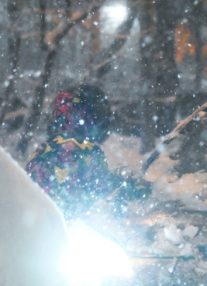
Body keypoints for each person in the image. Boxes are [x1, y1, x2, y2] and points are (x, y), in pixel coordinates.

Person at [26, 84, 132, 217]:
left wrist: (121, 185)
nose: (99, 121)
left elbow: (98, 184)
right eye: (96, 115)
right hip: (63, 225)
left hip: (54, 223)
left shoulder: (48, 147)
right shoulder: (78, 149)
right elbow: (97, 187)